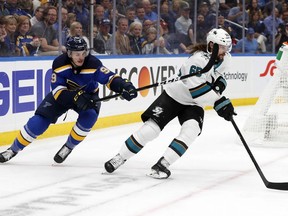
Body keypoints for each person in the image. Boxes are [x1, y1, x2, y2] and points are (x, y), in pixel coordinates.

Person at [104, 28, 236, 179]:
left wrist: (218, 90)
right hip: (174, 96)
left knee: (191, 131)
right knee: (151, 129)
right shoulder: (197, 60)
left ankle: (162, 164)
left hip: (194, 104)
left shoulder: (226, 59)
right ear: (212, 45)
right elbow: (198, 91)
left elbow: (221, 79)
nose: (226, 51)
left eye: (227, 47)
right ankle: (120, 157)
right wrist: (219, 103)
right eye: (223, 47)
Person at [0, 36, 138, 163]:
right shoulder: (59, 64)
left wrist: (124, 86)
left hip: (88, 95)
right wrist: (76, 97)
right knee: (39, 121)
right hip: (64, 96)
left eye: (83, 53)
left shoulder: (93, 63)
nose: (81, 57)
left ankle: (68, 146)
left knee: (89, 117)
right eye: (77, 54)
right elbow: (58, 92)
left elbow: (109, 78)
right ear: (69, 53)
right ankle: (13, 149)